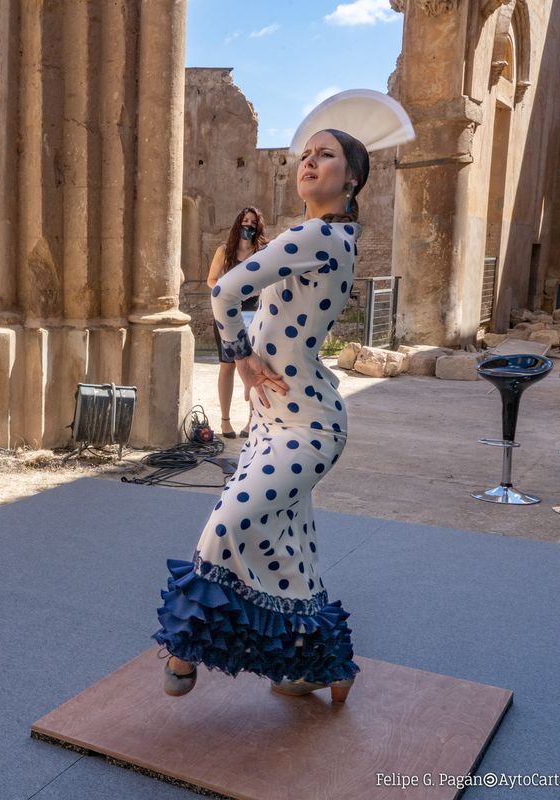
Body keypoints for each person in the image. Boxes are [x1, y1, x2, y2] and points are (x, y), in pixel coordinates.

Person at [155, 129, 368, 703]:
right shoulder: (333, 234)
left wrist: (242, 360)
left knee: (231, 523)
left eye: (325, 155)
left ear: (351, 178)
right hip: (277, 421)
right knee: (289, 549)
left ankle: (183, 650)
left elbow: (224, 291)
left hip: (307, 425)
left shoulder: (318, 234)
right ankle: (320, 665)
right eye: (306, 155)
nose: (309, 162)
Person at [208, 207, 268, 439]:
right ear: (238, 223)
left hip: (255, 315)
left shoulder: (263, 252)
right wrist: (229, 290)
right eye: (245, 220)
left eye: (253, 222)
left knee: (253, 366)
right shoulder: (224, 251)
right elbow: (211, 280)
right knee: (228, 366)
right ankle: (225, 421)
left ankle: (252, 420)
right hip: (227, 314)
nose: (249, 225)